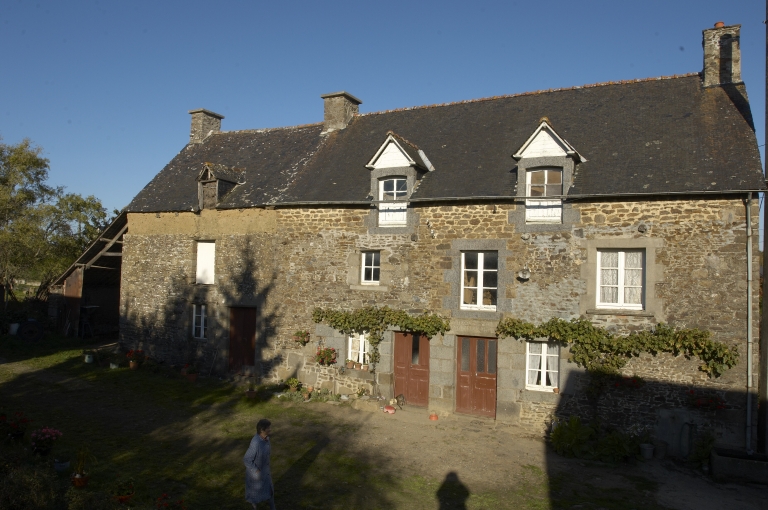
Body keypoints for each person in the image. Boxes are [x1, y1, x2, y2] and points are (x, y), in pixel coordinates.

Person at [244, 418, 276, 510]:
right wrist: (256, 470)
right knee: (255, 494)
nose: (270, 429)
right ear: (262, 430)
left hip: (265, 472)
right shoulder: (256, 443)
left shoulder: (266, 439)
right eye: (268, 428)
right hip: (256, 475)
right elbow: (247, 459)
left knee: (269, 492)